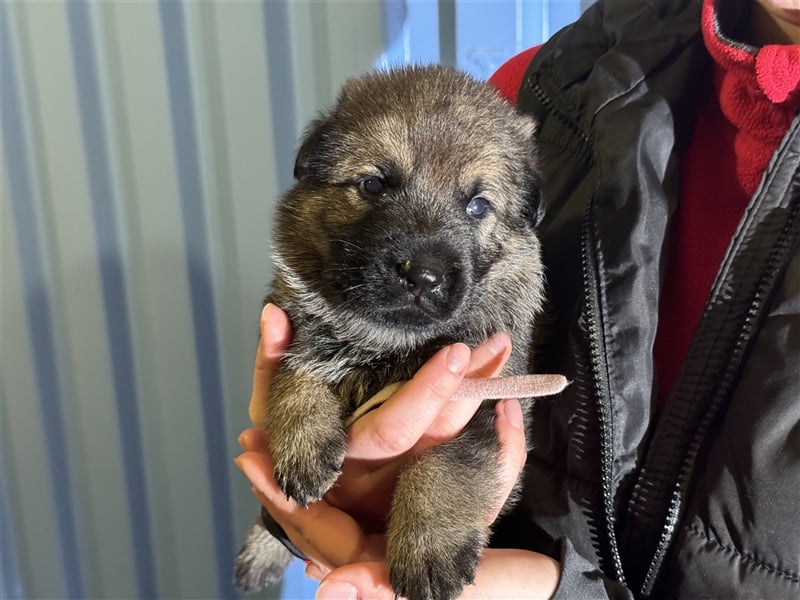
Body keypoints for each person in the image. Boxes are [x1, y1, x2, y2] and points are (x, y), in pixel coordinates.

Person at [235, 0, 800, 597]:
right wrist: (307, 482)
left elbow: (482, 428)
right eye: (375, 185)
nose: (425, 260)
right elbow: (302, 361)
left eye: (477, 207)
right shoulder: (549, 91)